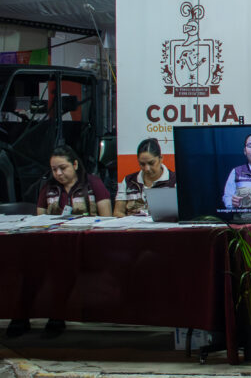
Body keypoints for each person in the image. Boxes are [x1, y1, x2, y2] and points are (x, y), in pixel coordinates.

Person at [5, 145, 112, 338]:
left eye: (63, 168)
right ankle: (20, 316)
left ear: (75, 164)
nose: (59, 173)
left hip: (86, 245)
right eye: (54, 169)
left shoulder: (93, 184)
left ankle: (57, 315)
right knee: (28, 267)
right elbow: (40, 220)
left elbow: (108, 219)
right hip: (52, 245)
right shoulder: (48, 188)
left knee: (62, 267)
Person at [113, 138, 176, 217]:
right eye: (142, 164)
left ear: (161, 159)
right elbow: (118, 212)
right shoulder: (129, 180)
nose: (147, 168)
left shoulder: (175, 180)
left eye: (151, 163)